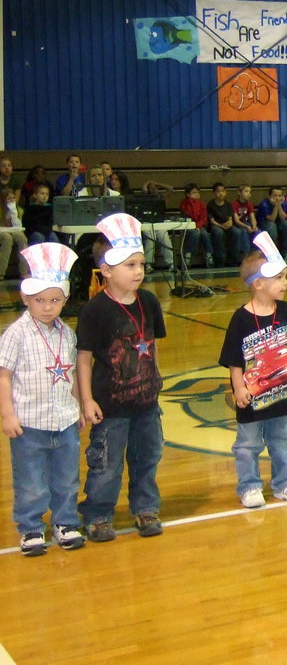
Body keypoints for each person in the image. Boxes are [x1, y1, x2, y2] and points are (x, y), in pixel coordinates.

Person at [77, 213, 168, 542]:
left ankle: (145, 507)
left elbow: (152, 344)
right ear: (107, 270)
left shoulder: (149, 301)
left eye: (141, 264)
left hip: (146, 403)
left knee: (147, 457)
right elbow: (84, 358)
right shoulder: (95, 310)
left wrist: (155, 380)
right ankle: (99, 513)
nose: (139, 271)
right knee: (107, 464)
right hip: (110, 406)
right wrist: (86, 400)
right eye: (130, 265)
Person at [0, 243, 84, 555]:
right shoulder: (16, 334)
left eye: (54, 300)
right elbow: (3, 376)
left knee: (66, 476)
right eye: (39, 300)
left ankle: (65, 521)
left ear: (64, 300)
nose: (47, 306)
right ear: (26, 298)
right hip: (29, 423)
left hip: (63, 419)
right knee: (31, 479)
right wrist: (7, 414)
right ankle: (31, 526)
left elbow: (73, 373)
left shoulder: (67, 333)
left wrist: (77, 408)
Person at [219, 233, 287, 507]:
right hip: (252, 397)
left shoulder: (286, 311)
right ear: (258, 284)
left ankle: (285, 482)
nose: (286, 282)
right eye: (279, 278)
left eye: (286, 276)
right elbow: (234, 360)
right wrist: (238, 388)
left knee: (283, 439)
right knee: (248, 445)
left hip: (283, 393)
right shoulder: (241, 319)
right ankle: (249, 486)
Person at [209, 181, 249, 267]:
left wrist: (229, 224)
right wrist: (220, 226)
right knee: (218, 233)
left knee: (236, 232)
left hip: (227, 224)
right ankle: (220, 258)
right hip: (216, 225)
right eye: (218, 191)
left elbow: (230, 218)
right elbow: (212, 220)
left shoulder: (228, 203)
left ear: (225, 192)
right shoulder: (211, 204)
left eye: (222, 191)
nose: (221, 193)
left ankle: (233, 257)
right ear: (214, 193)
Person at [178, 183, 215, 268]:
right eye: (194, 192)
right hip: (188, 225)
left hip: (199, 225)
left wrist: (198, 226)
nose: (197, 194)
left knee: (204, 234)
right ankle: (188, 255)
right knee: (195, 234)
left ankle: (208, 255)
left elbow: (203, 217)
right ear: (188, 194)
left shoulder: (201, 204)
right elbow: (187, 214)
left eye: (198, 192)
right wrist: (191, 202)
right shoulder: (184, 203)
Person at [257, 186, 287, 263]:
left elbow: (283, 217)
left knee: (286, 224)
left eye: (280, 196)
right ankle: (271, 253)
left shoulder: (283, 203)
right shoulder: (264, 204)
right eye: (275, 195)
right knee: (272, 226)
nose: (277, 198)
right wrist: (276, 206)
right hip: (265, 223)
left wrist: (279, 205)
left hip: (278, 222)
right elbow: (272, 219)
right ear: (270, 196)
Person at [0, 187, 29, 279]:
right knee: (7, 238)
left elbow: (18, 226)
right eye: (9, 198)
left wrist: (14, 214)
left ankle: (24, 272)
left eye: (13, 198)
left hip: (14, 230)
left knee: (22, 238)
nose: (12, 200)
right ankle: (1, 273)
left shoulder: (19, 210)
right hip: (2, 231)